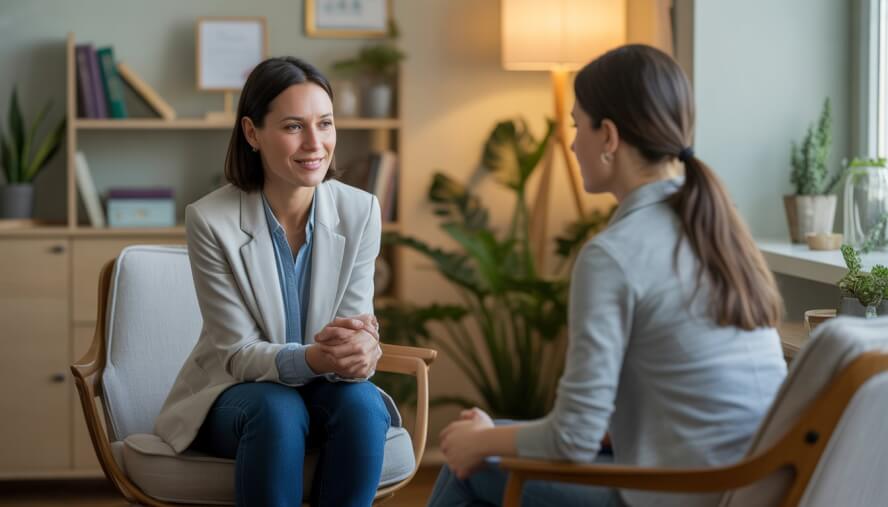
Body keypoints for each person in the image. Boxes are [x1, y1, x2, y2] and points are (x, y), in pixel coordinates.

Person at [427, 44, 788, 507]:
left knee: (468, 463)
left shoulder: (613, 255)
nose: (574, 142)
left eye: (579, 126)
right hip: (740, 482)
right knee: (487, 434)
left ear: (610, 137)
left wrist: (479, 445)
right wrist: (489, 436)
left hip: (678, 494)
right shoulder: (719, 227)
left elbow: (573, 438)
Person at [154, 56, 396, 507]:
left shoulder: (360, 211)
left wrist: (363, 350)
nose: (315, 143)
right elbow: (238, 354)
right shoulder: (211, 220)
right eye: (292, 127)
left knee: (364, 405)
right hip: (234, 395)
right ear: (252, 133)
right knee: (277, 409)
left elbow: (353, 325)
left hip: (326, 392)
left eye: (324, 124)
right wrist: (316, 357)